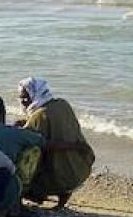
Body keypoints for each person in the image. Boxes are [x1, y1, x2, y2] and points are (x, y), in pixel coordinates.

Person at [18, 78, 95, 208]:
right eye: (21, 98)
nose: (22, 101)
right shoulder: (62, 104)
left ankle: (35, 193)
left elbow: (32, 142)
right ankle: (62, 198)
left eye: (25, 97)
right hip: (80, 169)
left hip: (59, 177)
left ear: (34, 94)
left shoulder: (39, 114)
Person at [0, 93, 45, 217]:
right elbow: (41, 141)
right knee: (33, 150)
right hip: (2, 189)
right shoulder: (13, 134)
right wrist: (75, 146)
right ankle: (15, 206)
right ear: (3, 111)